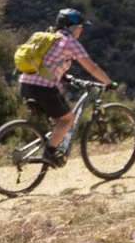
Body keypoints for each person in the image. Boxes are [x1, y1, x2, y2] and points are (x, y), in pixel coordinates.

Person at [17, 8, 114, 164]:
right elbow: (92, 68)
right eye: (80, 26)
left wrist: (66, 77)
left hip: (26, 84)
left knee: (57, 118)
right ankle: (49, 153)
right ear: (71, 27)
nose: (81, 30)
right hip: (43, 88)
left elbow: (48, 65)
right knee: (68, 119)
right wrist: (109, 82)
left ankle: (52, 143)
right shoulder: (70, 43)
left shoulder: (49, 38)